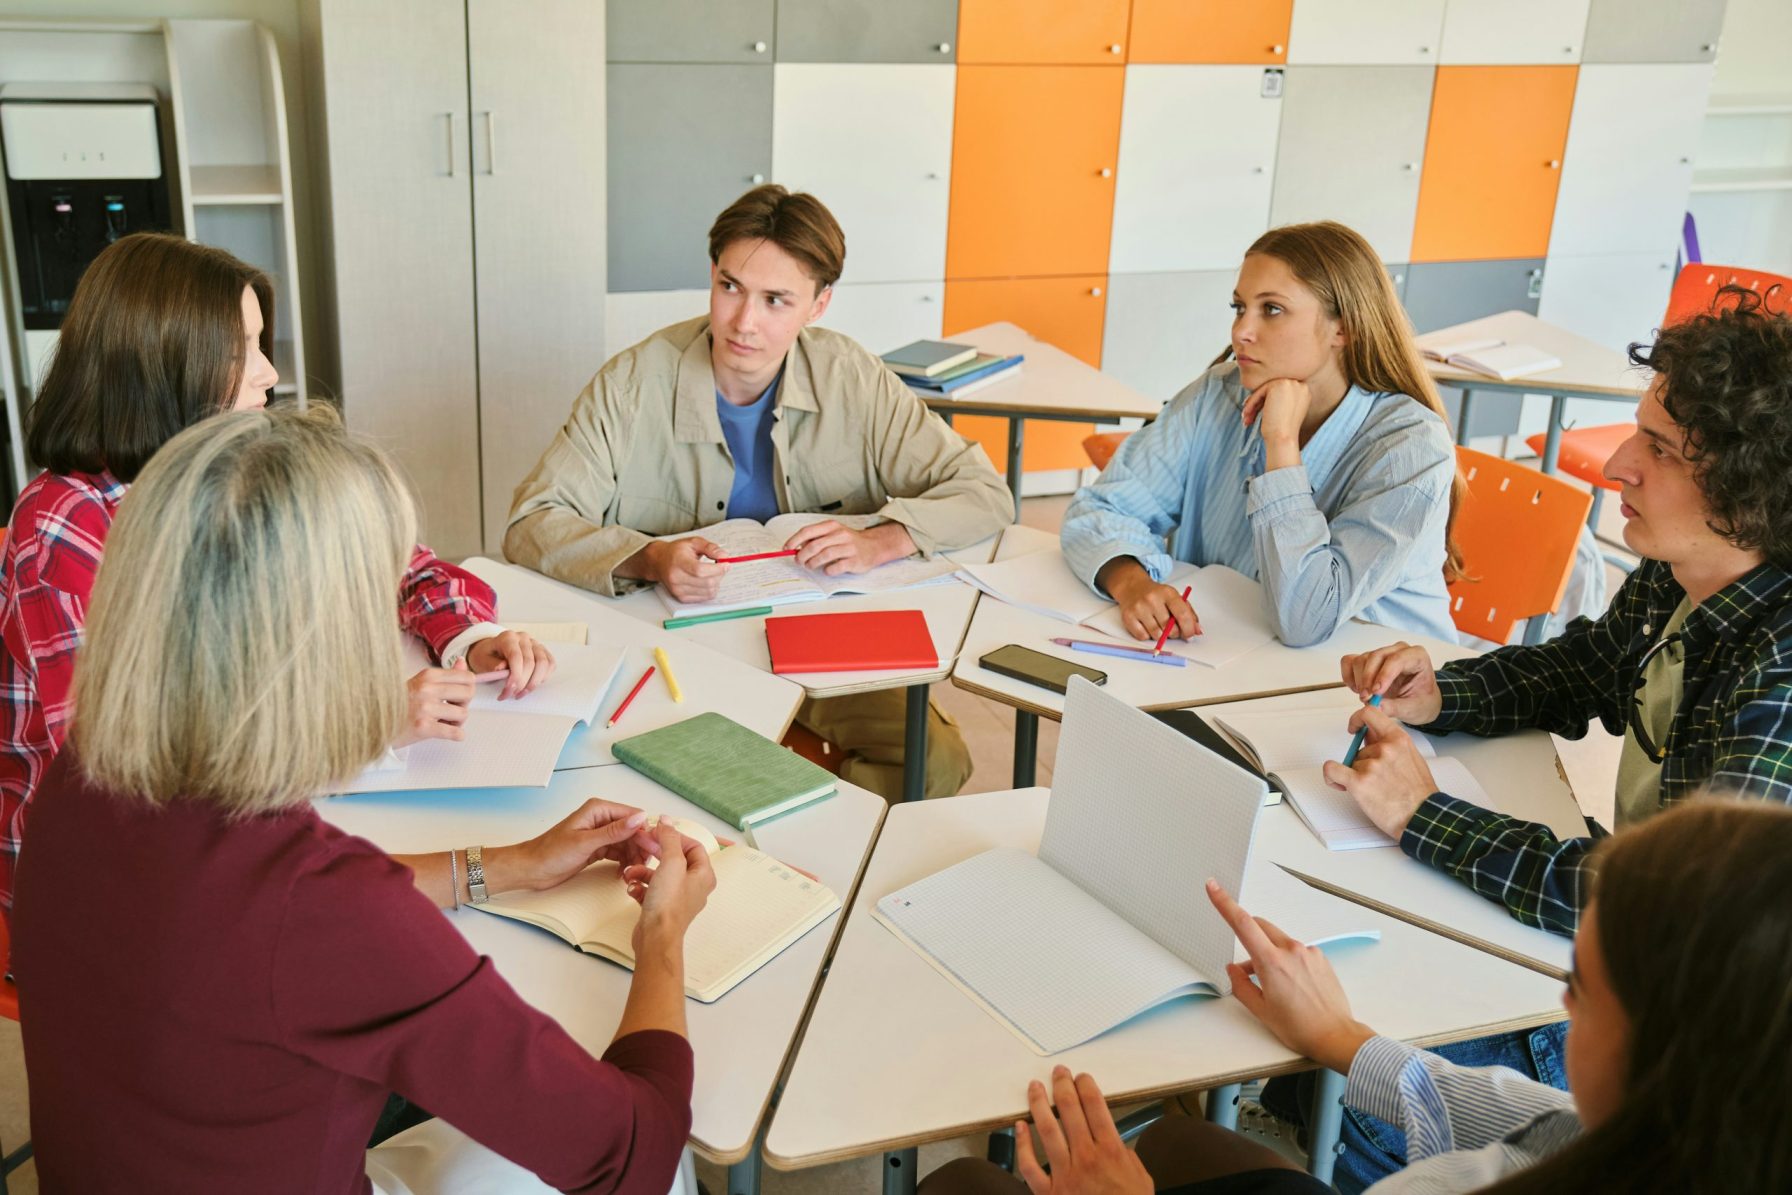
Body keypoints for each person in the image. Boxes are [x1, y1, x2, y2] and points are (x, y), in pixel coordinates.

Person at [11, 404, 714, 1191]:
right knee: (677, 1164)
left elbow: (273, 929)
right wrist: (663, 934)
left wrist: (511, 864)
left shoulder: (79, 778)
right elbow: (632, 1151)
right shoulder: (320, 905)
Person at [1265, 286, 1792, 1189]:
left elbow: (1644, 910)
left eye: (1657, 452)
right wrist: (1441, 692)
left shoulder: (1779, 678)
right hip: (1616, 971)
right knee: (1312, 1030)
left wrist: (1423, 813)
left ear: (1750, 498)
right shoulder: (1682, 574)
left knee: (1352, 1077)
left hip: (1668, 1039)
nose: (1614, 466)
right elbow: (1586, 666)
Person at [0, 233, 554, 923]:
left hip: (253, 809)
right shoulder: (65, 531)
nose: (269, 373)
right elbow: (127, 791)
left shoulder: (228, 451)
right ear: (161, 363)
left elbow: (403, 557)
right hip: (110, 893)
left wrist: (466, 636)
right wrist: (359, 727)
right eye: (241, 350)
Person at [919, 800, 1792, 1194]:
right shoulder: (1688, 1135)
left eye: (1580, 987)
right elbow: (1530, 1117)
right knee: (1185, 1136)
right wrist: (1344, 1037)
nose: (1559, 1006)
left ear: (1670, 1059)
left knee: (965, 1181)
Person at [505, 184, 1012, 799]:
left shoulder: (851, 376)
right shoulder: (633, 382)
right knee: (668, 785)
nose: (744, 322)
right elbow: (533, 522)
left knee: (934, 763)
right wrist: (649, 557)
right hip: (678, 653)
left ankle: (811, 827)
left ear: (819, 304)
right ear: (711, 276)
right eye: (730, 288)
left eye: (776, 300)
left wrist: (885, 540)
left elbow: (984, 492)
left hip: (820, 638)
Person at [1060, 221, 1462, 649]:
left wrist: (1281, 446)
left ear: (1342, 328)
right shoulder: (1219, 394)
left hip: (1374, 696)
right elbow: (1100, 507)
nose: (1240, 332)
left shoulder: (1410, 448)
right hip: (1233, 663)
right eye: (1239, 308)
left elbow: (1304, 619)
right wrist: (1132, 583)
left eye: (1271, 309)